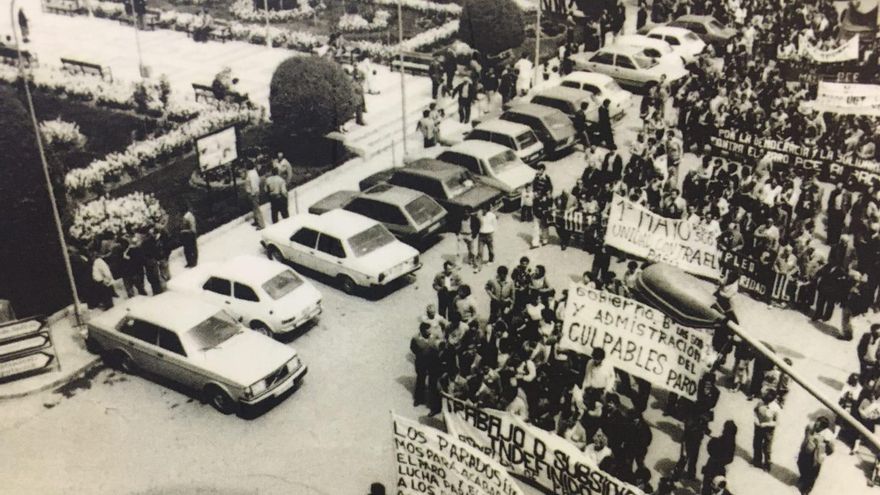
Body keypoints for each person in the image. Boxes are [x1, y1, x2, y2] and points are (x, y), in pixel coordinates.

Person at [797, 417, 835, 494]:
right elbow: (806, 434)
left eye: (817, 425)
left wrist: (824, 453)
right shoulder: (811, 427)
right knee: (800, 463)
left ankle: (807, 489)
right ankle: (804, 476)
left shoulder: (828, 435)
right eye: (816, 423)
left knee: (813, 473)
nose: (815, 426)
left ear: (822, 427)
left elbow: (831, 448)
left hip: (816, 455)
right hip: (806, 451)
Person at [701, 421, 737, 495]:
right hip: (721, 468)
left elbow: (711, 449)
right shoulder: (732, 442)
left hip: (712, 464)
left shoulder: (722, 440)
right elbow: (730, 458)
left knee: (707, 485)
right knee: (718, 487)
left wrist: (713, 441)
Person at [411, 322, 441, 409]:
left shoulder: (434, 336)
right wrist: (420, 355)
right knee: (420, 380)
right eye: (428, 330)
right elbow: (413, 348)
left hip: (433, 362)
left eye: (430, 329)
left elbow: (439, 345)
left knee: (433, 382)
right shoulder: (416, 338)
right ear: (422, 330)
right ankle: (419, 399)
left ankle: (432, 402)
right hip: (421, 363)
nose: (430, 331)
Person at [752, 389, 780, 471]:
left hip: (768, 430)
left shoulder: (776, 408)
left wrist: (766, 424)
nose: (764, 402)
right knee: (757, 444)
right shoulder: (760, 402)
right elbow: (755, 411)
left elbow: (777, 422)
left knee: (767, 448)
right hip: (758, 427)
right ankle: (757, 461)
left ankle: (767, 465)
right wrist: (756, 419)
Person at [245, 162, 265, 230]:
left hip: (253, 193)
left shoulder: (251, 174)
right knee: (254, 208)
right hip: (254, 192)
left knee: (256, 209)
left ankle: (261, 225)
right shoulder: (253, 172)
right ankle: (256, 221)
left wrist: (253, 194)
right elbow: (258, 181)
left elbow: (254, 185)